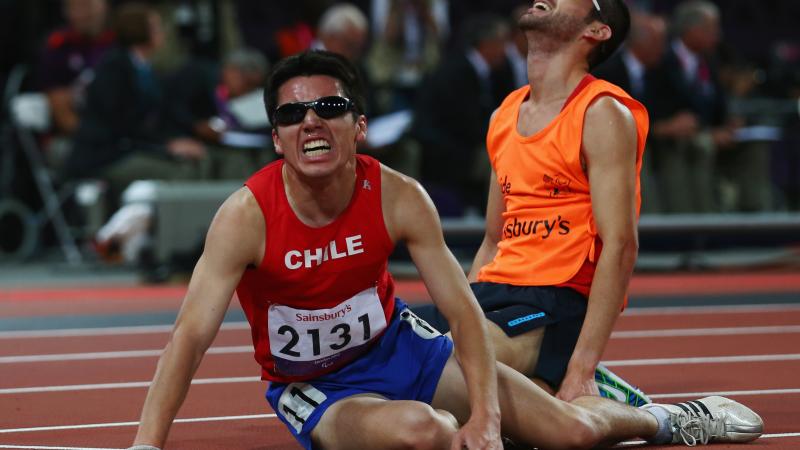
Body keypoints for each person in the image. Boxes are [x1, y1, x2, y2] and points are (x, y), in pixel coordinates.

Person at [126, 50, 763, 450]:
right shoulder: (246, 216)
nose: (311, 121)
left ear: (359, 125)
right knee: (422, 432)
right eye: (294, 115)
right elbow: (189, 338)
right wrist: (146, 447)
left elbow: (461, 314)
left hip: (406, 347)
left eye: (329, 106)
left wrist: (487, 415)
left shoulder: (399, 197)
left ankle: (668, 420)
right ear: (276, 138)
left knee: (565, 432)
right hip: (320, 388)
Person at [410, 0, 654, 406]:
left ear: (596, 31)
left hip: (555, 297)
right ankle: (541, 390)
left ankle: (583, 388)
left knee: (443, 370)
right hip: (494, 289)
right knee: (374, 353)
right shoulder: (504, 115)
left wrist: (582, 369)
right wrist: (465, 310)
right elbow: (493, 238)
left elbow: (621, 244)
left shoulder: (601, 113)